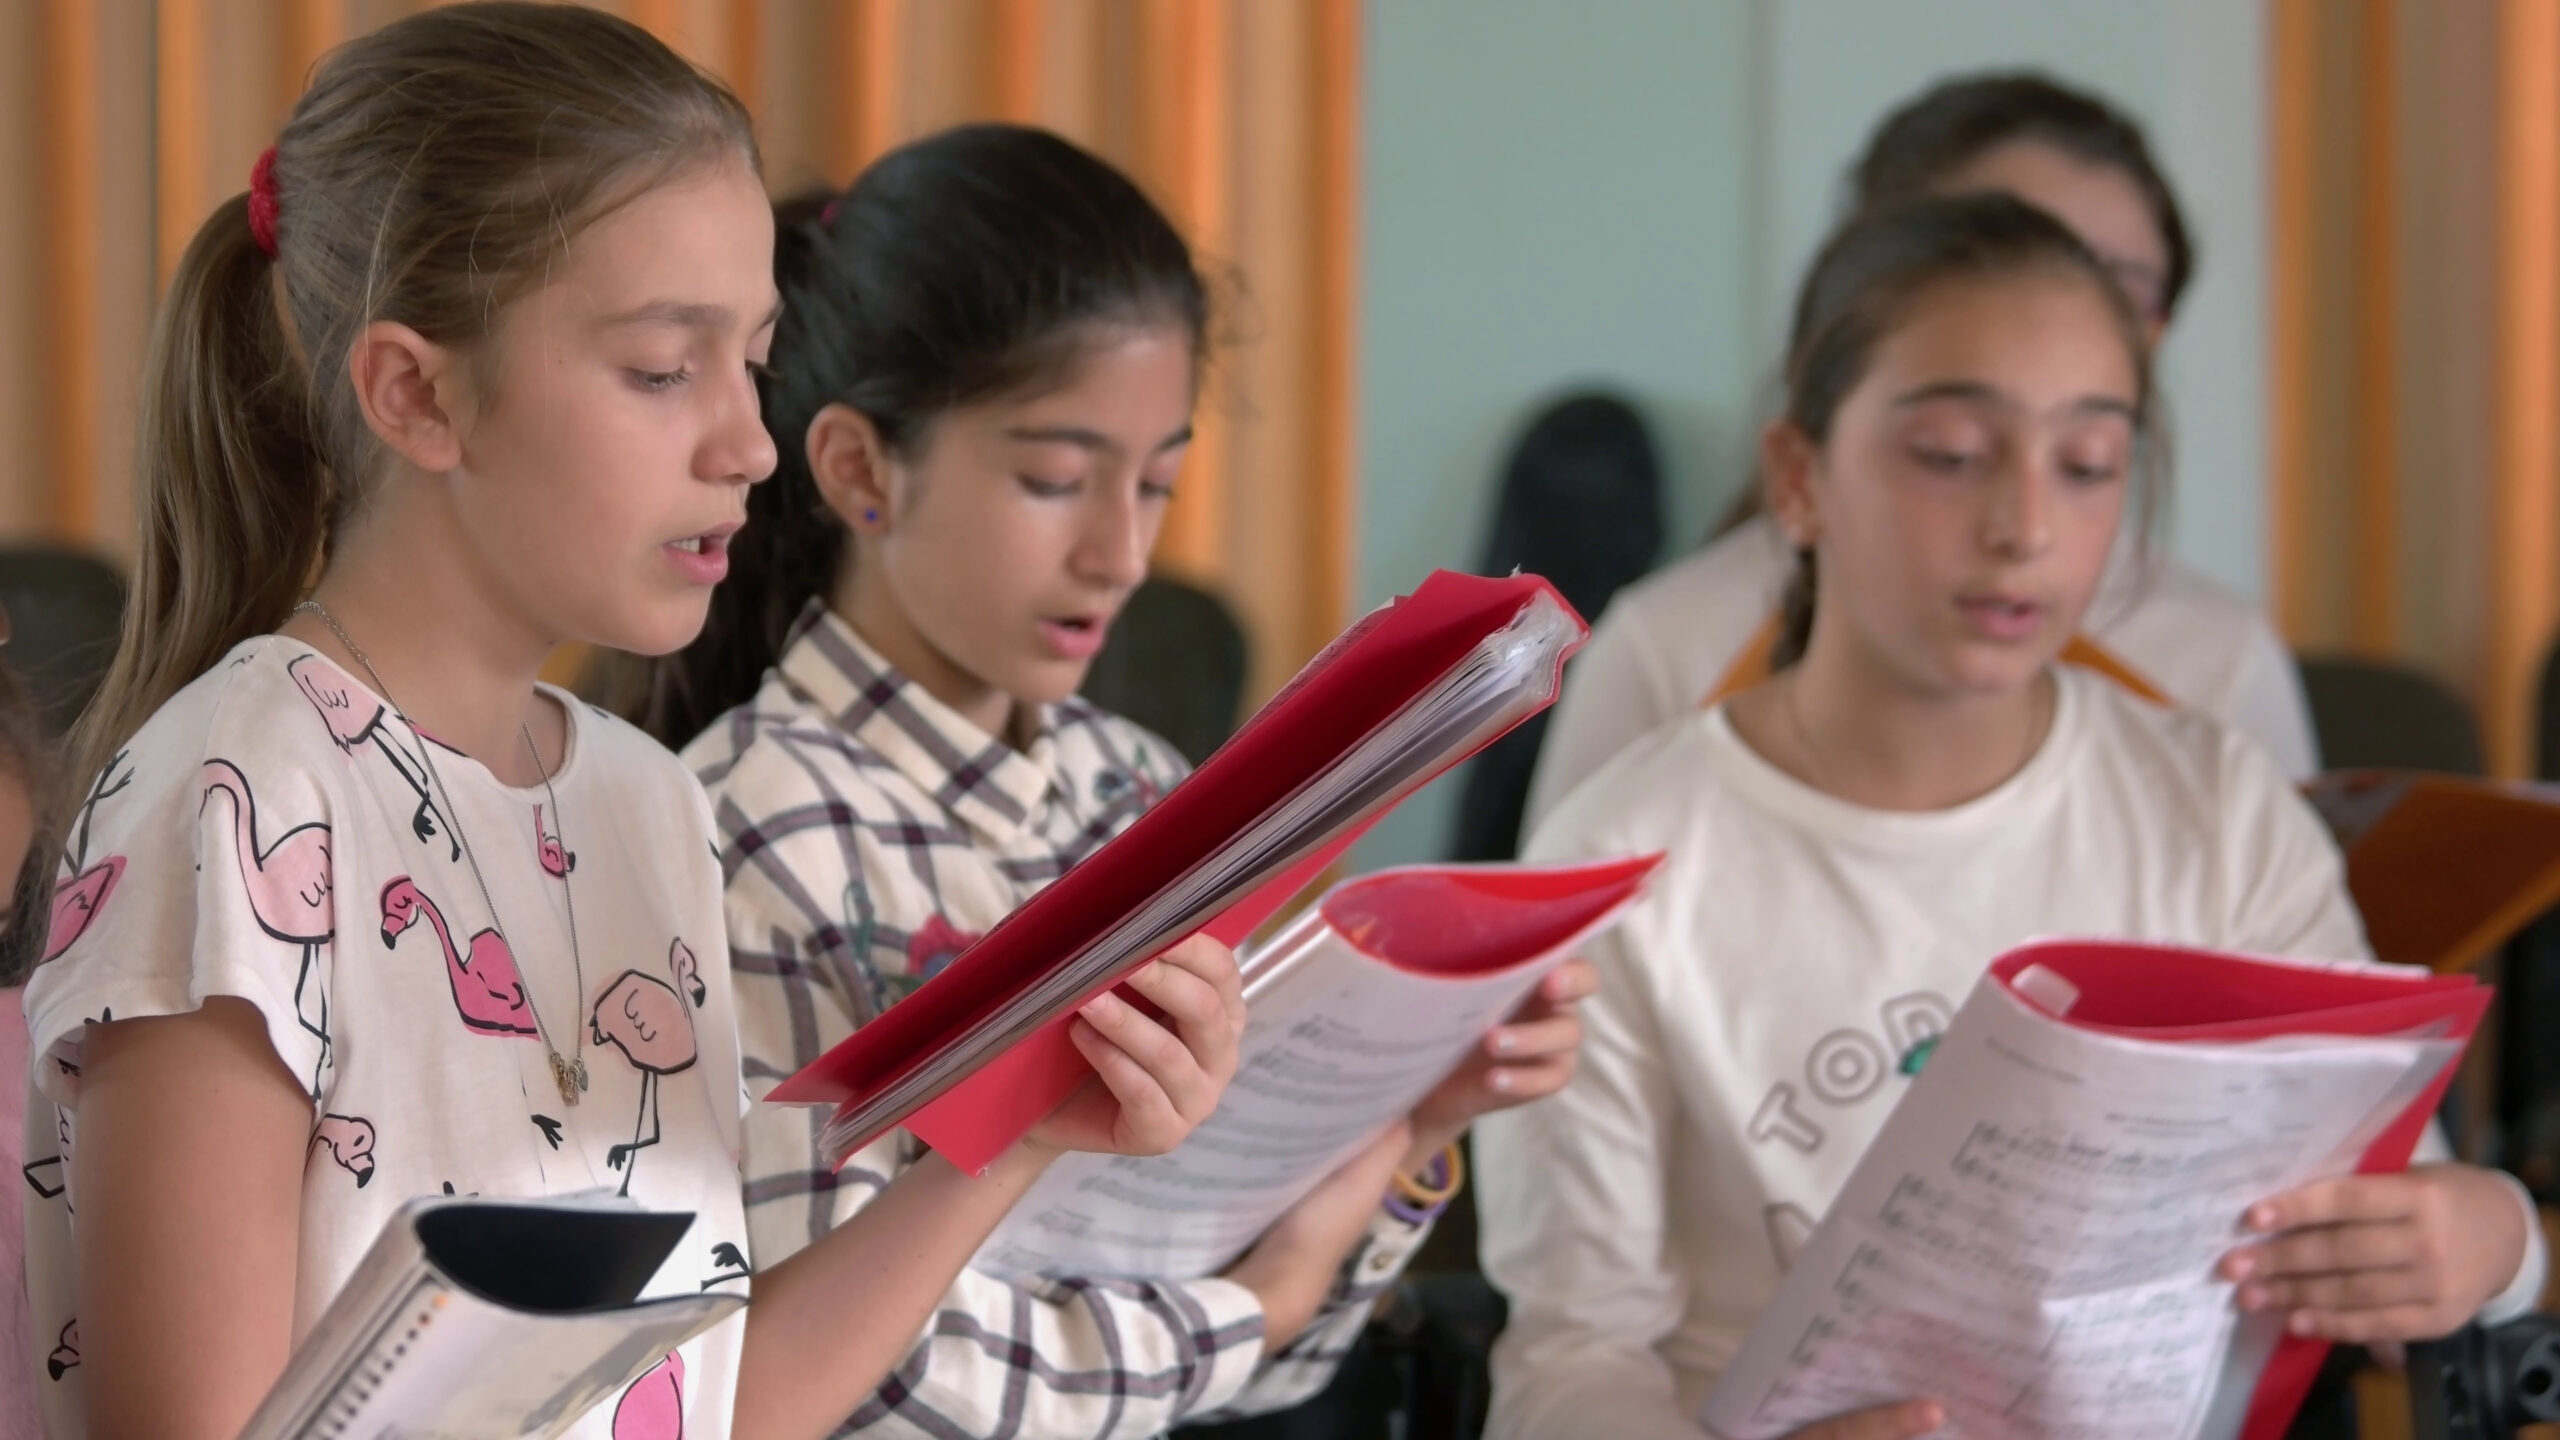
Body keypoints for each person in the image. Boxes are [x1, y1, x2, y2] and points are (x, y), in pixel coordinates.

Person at [22, 13, 1246, 1440]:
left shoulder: (645, 801)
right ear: (417, 393)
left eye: (756, 361)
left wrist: (1027, 1130)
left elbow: (708, 1402)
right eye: (666, 370)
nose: (750, 444)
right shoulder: (233, 799)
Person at [1474, 193, 2545, 1440]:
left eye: (2087, 466)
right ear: (1799, 479)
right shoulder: (1624, 857)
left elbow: (2385, 1205)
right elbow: (1569, 1361)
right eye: (1951, 455)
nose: (2024, 526)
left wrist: (2491, 1237)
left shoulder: (2210, 807)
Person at [619, 123, 1598, 1439]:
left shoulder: (1142, 789)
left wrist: (1412, 1123)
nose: (1121, 553)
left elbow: (1285, 1346)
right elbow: (843, 1371)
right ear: (859, 468)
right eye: (1055, 480)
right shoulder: (745, 826)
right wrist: (1260, 1307)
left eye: (1159, 483)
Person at [1525, 72, 2319, 831]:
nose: (2025, 531)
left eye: (2119, 287)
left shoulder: (2223, 707)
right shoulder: (1666, 651)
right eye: (1950, 454)